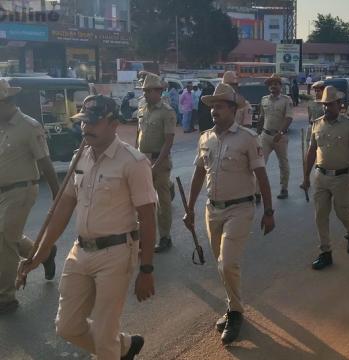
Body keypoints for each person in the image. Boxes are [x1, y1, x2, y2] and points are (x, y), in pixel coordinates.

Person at [19, 95, 157, 359]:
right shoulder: (79, 158)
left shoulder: (133, 162)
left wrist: (147, 268)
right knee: (67, 327)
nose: (86, 128)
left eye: (94, 122)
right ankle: (125, 346)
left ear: (114, 124)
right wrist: (38, 255)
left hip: (116, 254)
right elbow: (62, 210)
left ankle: (113, 348)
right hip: (80, 251)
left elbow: (148, 217)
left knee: (105, 337)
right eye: (83, 122)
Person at [184, 83, 275, 344]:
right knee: (221, 264)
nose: (214, 111)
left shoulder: (247, 138)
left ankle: (235, 313)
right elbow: (199, 174)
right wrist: (189, 208)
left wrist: (268, 211)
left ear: (233, 110)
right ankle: (232, 305)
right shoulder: (205, 138)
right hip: (212, 209)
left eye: (220, 106)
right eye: (212, 106)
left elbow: (262, 176)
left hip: (240, 208)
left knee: (227, 262)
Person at [0, 79, 60, 315]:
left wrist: (58, 193)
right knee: (10, 237)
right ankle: (45, 253)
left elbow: (45, 162)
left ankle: (6, 297)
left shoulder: (29, 126)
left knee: (4, 238)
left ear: (5, 102)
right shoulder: (1, 125)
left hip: (22, 190)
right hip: (3, 192)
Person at [301, 86, 349, 270]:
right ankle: (325, 252)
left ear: (339, 105)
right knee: (320, 215)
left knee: (342, 211)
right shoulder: (317, 124)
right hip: (320, 176)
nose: (327, 108)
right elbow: (312, 151)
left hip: (342, 176)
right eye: (324, 105)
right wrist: (305, 177)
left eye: (331, 104)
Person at [137, 73, 176, 253]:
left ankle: (165, 237)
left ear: (158, 91)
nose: (145, 94)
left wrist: (156, 163)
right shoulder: (142, 109)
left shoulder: (166, 112)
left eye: (148, 91)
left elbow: (168, 141)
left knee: (162, 202)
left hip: (159, 161)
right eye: (144, 91)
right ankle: (143, 236)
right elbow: (138, 134)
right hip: (142, 160)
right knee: (141, 201)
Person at [257, 74, 293, 200]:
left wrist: (281, 133)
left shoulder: (286, 100)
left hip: (280, 137)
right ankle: (257, 191)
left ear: (280, 86)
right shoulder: (264, 99)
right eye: (271, 84)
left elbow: (289, 118)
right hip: (265, 136)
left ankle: (284, 188)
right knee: (259, 163)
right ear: (268, 87)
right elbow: (262, 117)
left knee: (283, 163)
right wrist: (257, 133)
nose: (273, 86)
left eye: (276, 84)